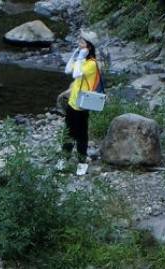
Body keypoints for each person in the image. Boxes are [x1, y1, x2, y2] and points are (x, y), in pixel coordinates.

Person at [62, 38, 101, 176]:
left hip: (82, 105)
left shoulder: (91, 64)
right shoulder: (82, 60)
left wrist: (80, 58)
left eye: (82, 43)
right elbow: (67, 70)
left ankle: (82, 163)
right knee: (67, 132)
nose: (79, 45)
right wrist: (75, 54)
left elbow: (76, 74)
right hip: (72, 102)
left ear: (89, 47)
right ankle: (65, 158)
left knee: (81, 135)